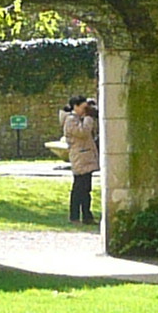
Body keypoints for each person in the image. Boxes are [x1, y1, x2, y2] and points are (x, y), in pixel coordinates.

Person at [62, 96, 100, 225]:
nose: (85, 110)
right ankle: (74, 216)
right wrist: (89, 117)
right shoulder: (70, 120)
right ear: (75, 107)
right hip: (80, 158)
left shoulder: (79, 119)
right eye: (83, 107)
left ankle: (87, 216)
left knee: (86, 189)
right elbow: (83, 132)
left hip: (86, 158)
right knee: (79, 189)